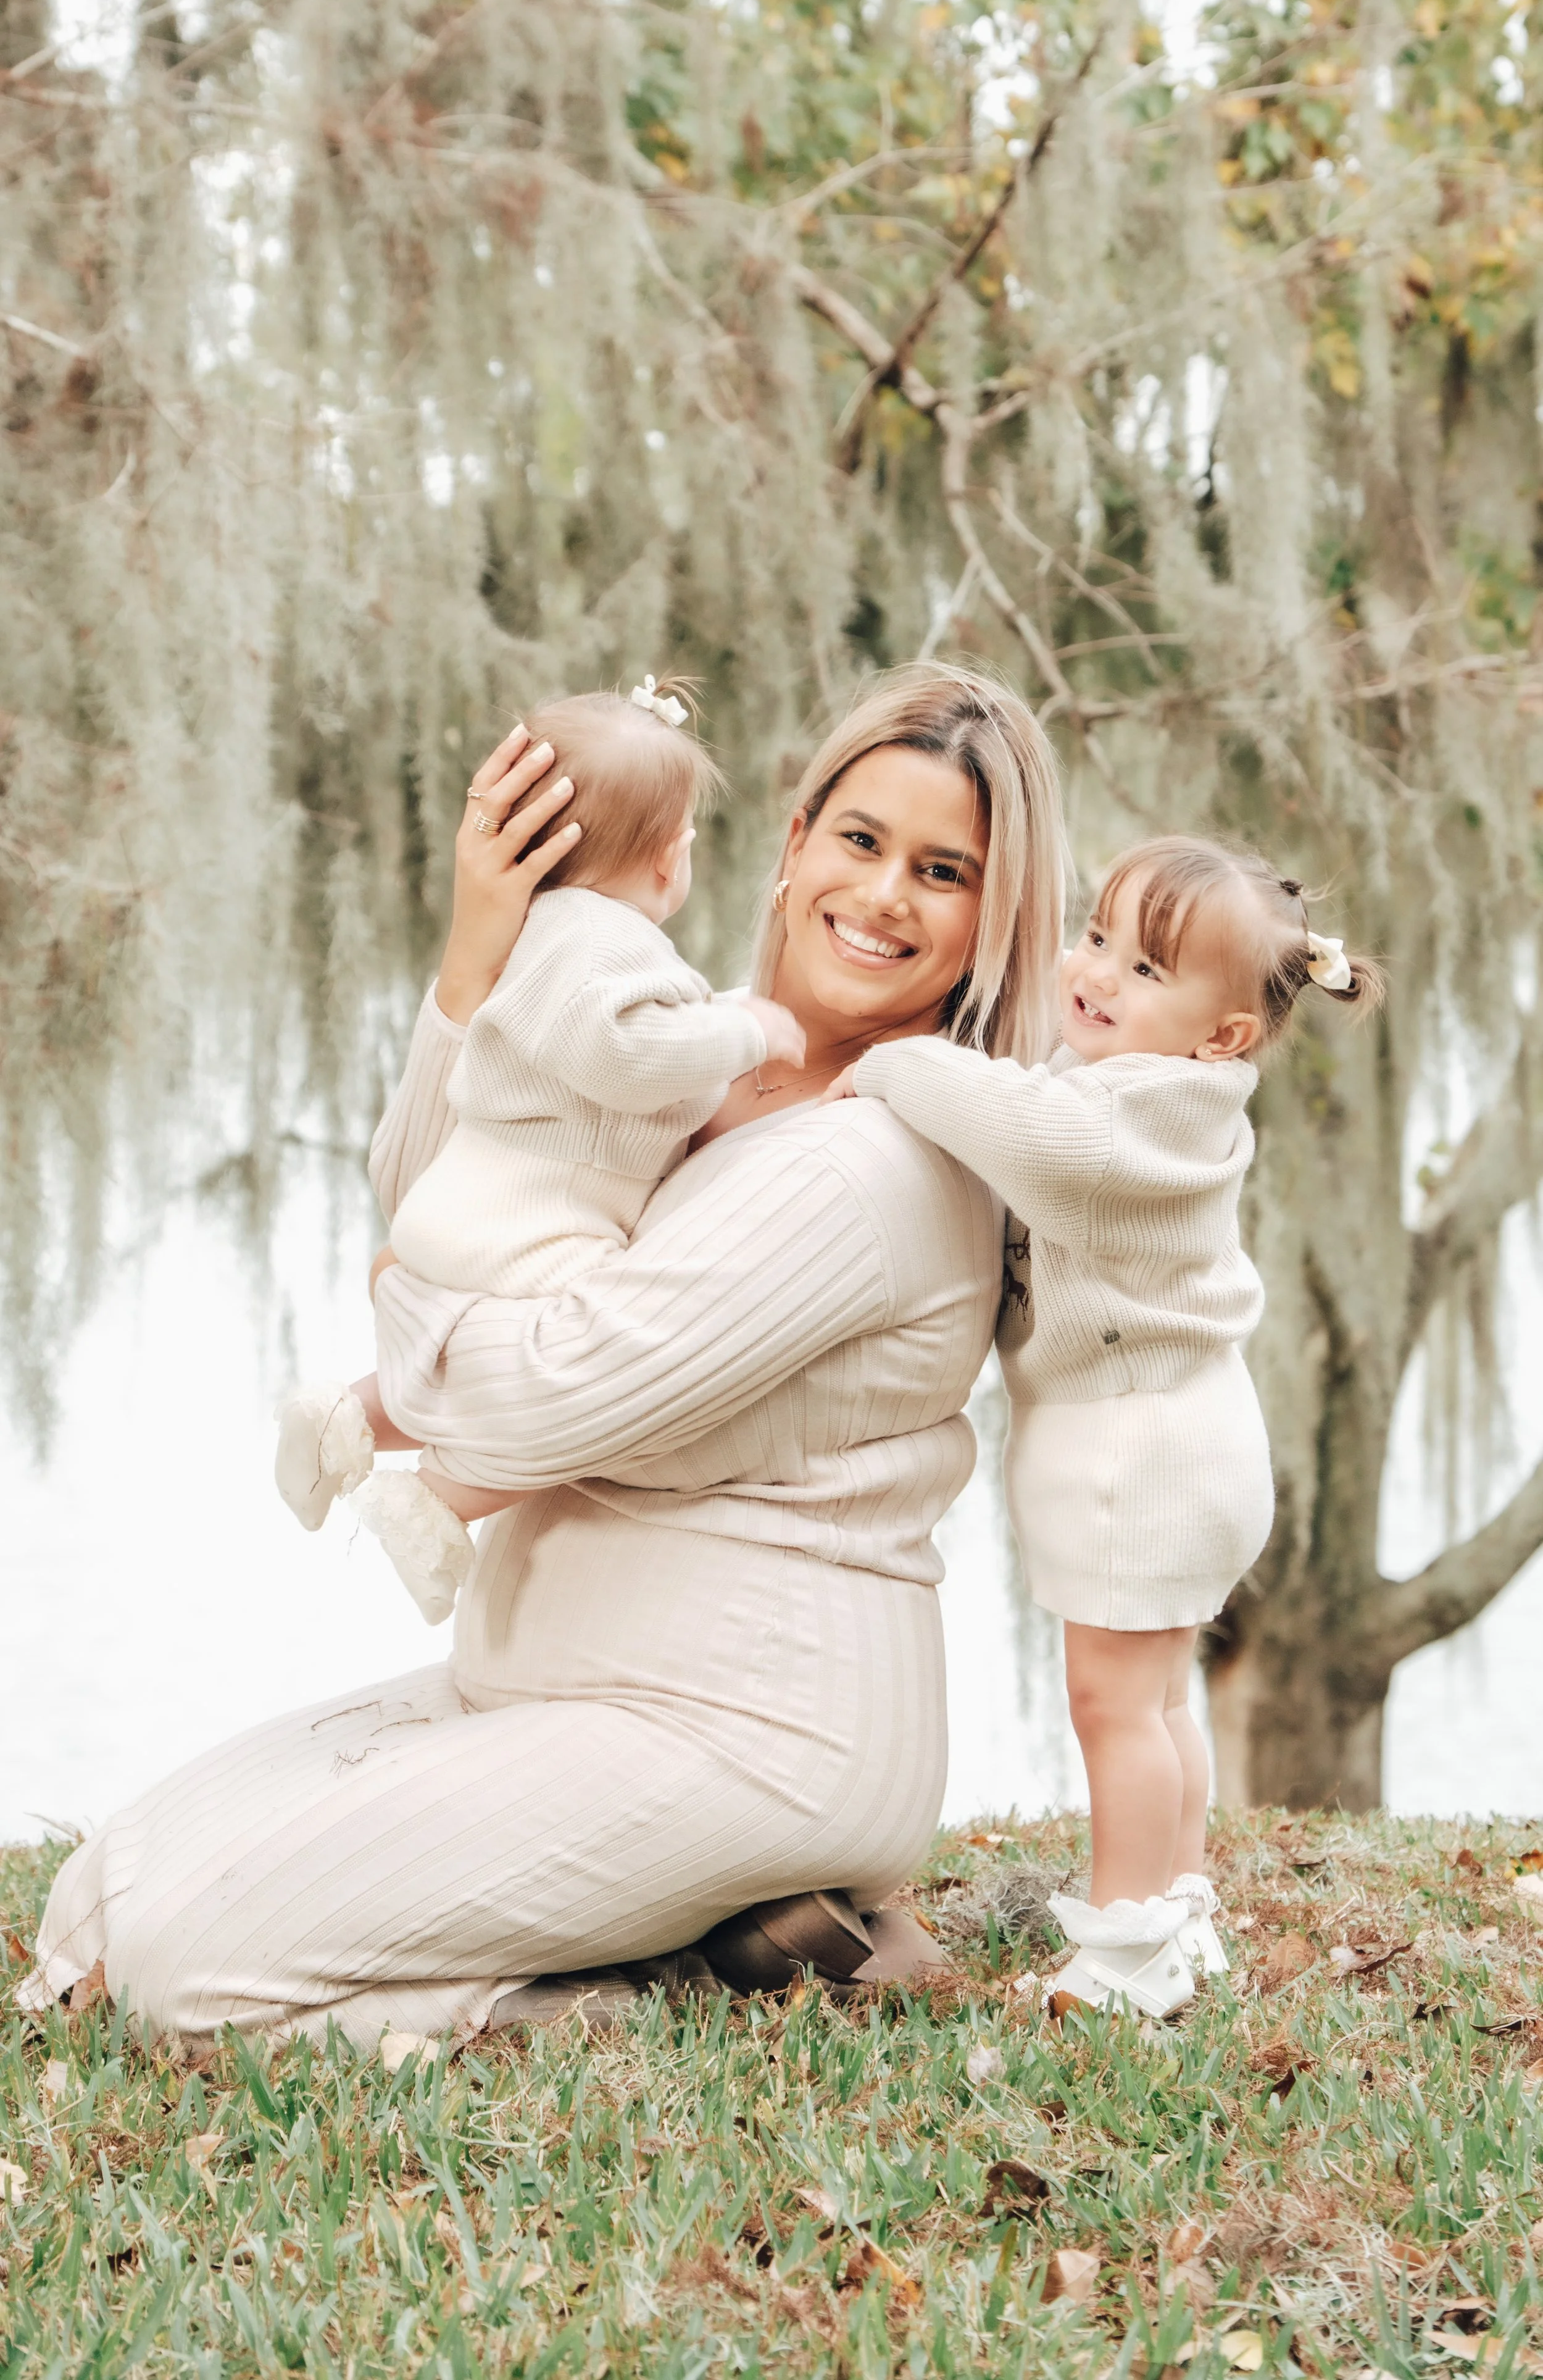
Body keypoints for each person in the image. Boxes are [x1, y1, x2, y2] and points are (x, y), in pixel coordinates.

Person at [22, 663, 1067, 2048]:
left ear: (991, 921)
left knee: (181, 1972)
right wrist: (479, 955)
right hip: (539, 1684)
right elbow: (443, 1198)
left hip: (744, 1722)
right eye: (861, 840)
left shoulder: (876, 1156)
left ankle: (651, 1989)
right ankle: (707, 1933)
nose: (882, 896)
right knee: (106, 1891)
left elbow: (546, 1395)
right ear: (794, 842)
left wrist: (413, 1318)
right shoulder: (686, 1050)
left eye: (942, 872)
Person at [841, 833, 1383, 2018]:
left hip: (1143, 1451)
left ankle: (1127, 1958)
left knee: (1114, 1705)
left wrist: (890, 1062)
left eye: (1143, 971)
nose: (1093, 974)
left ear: (1223, 1035)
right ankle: (1178, 1914)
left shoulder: (1141, 1116)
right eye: (1096, 938)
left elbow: (1038, 1137)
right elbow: (1045, 1083)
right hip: (1180, 1438)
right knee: (1161, 1698)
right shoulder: (1160, 1083)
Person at [272, 676, 805, 1624]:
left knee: (472, 1361)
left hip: (460, 1211)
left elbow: (618, 1036)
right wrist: (749, 1032)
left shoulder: (537, 938)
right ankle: (437, 1502)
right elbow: (625, 1050)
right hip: (536, 1229)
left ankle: (345, 1417)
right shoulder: (616, 943)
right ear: (666, 860)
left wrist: (717, 1019)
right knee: (605, 1371)